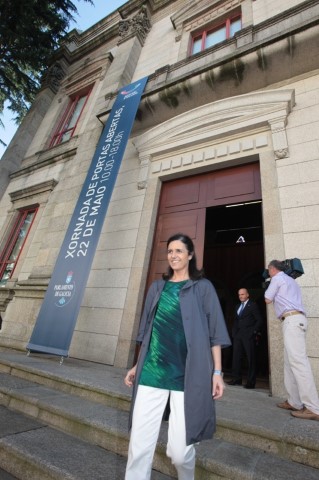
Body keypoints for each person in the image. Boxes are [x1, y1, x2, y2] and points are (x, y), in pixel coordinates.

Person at [124, 233, 231, 479]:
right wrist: (136, 365)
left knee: (179, 453)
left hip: (188, 375)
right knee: (139, 447)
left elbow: (214, 333)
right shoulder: (157, 287)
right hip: (152, 371)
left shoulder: (202, 288)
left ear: (190, 255)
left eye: (179, 251)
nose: (173, 255)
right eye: (170, 251)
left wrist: (217, 372)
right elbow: (148, 329)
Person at [264, 259, 319, 421]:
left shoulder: (277, 278)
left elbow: (267, 298)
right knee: (290, 363)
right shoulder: (290, 280)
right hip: (296, 320)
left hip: (292, 321)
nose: (268, 273)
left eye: (268, 270)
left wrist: (269, 285)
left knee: (299, 363)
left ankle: (313, 407)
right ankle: (295, 401)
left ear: (272, 269)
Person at [227, 288, 263, 389]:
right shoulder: (237, 306)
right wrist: (234, 332)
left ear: (247, 295)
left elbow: (259, 320)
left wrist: (252, 332)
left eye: (243, 294)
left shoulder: (253, 305)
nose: (241, 296)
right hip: (238, 335)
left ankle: (251, 382)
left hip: (248, 335)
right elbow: (236, 320)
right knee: (236, 357)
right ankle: (236, 379)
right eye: (239, 295)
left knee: (250, 358)